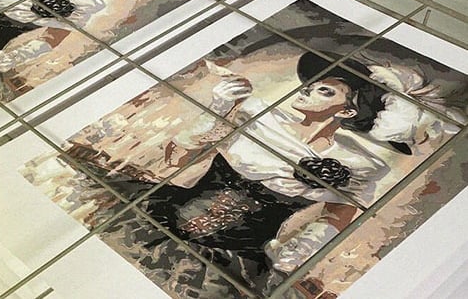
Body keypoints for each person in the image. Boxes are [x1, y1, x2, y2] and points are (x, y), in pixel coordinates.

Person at [102, 52, 397, 287]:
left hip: (233, 260)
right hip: (158, 214)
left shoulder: (357, 165)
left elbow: (338, 214)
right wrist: (217, 108)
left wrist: (299, 250)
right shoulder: (257, 115)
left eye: (324, 91)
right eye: (311, 84)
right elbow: (175, 159)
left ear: (346, 111)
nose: (307, 89)